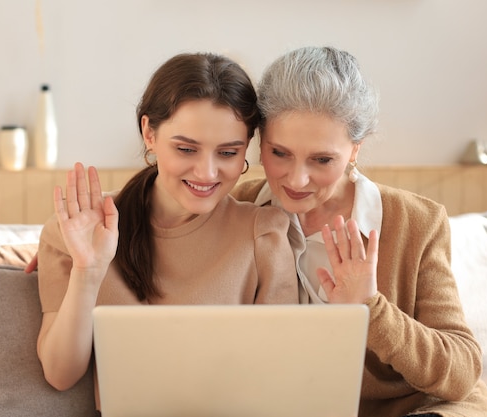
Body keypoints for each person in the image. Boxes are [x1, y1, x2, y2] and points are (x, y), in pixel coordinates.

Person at [230, 46, 487, 417]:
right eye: (279, 153)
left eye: (322, 159)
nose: (296, 179)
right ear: (259, 141)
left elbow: (459, 372)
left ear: (355, 150)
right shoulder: (237, 210)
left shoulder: (415, 222)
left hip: (417, 407)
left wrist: (371, 309)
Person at [34, 52, 300, 404]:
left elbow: (285, 377)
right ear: (149, 132)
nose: (206, 173)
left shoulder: (264, 234)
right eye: (186, 149)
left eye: (228, 153)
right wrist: (88, 271)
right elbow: (60, 374)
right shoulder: (80, 232)